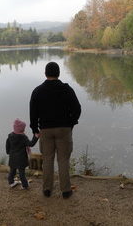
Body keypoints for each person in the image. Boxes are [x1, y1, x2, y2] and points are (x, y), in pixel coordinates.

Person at [29, 61, 81, 198]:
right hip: (64, 129)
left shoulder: (37, 91)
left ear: (45, 73)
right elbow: (77, 109)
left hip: (45, 130)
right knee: (63, 160)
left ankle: (47, 189)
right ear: (58, 73)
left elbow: (33, 113)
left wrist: (35, 129)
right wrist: (71, 124)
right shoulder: (67, 89)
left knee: (47, 160)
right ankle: (65, 191)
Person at [6, 118, 39, 189]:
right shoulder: (23, 137)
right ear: (21, 129)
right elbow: (31, 144)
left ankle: (11, 182)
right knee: (21, 173)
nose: (24, 129)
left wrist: (8, 152)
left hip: (12, 157)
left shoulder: (10, 136)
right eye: (23, 128)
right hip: (21, 159)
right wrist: (36, 137)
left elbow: (7, 146)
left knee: (12, 171)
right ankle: (25, 185)